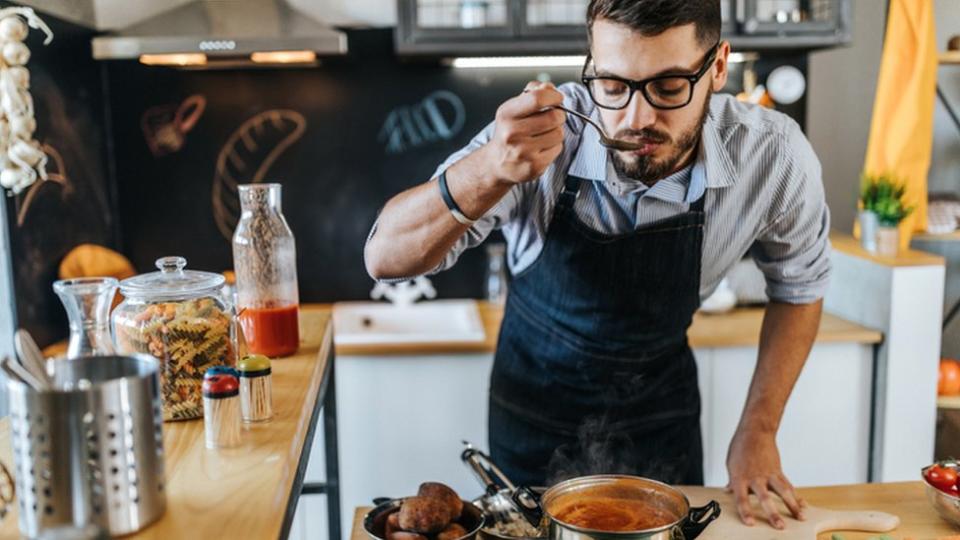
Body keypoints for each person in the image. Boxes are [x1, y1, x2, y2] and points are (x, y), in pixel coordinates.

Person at [365, 0, 830, 530]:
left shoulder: (771, 155)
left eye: (669, 87)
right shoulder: (541, 138)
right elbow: (385, 257)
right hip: (533, 413)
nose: (636, 118)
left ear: (718, 67)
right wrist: (489, 169)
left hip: (661, 416)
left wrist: (760, 429)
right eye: (612, 85)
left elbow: (800, 285)